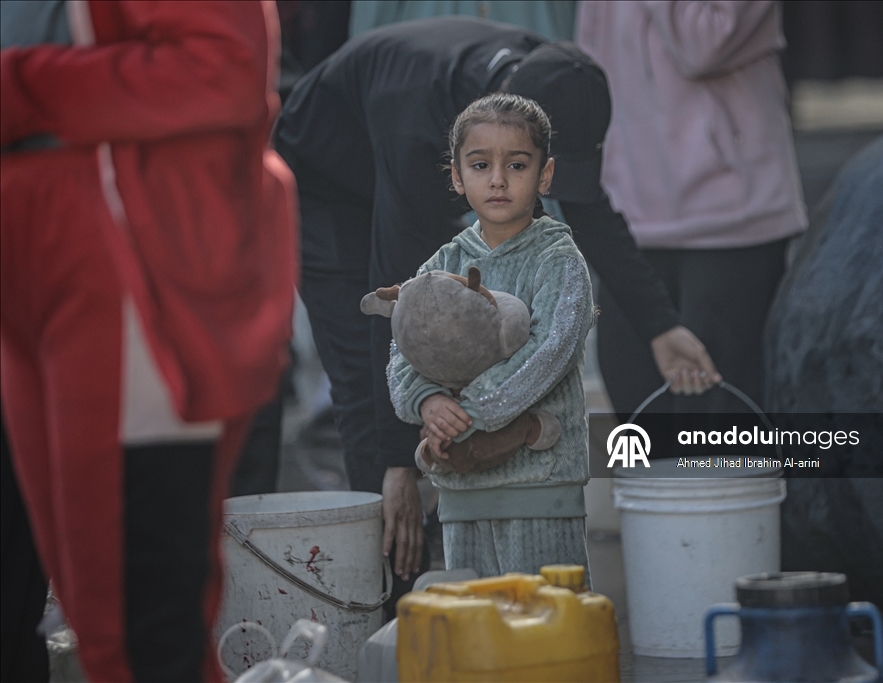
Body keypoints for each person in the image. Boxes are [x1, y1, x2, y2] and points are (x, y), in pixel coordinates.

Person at [274, 16, 719, 585]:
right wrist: (393, 462)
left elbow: (588, 210)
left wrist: (662, 326)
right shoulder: (418, 132)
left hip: (424, 151)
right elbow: (397, 298)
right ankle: (391, 577)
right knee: (371, 371)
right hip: (326, 181)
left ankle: (448, 528)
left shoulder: (556, 78)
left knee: (469, 332)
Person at [0, 2, 296, 680]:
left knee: (136, 630)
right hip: (33, 265)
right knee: (85, 607)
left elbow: (222, 69)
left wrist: (20, 84)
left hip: (125, 256)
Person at [390, 93, 593, 578]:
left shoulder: (558, 260)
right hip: (461, 487)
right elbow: (403, 349)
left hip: (541, 482)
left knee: (547, 622)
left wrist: (468, 414)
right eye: (481, 164)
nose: (498, 179)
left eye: (517, 165)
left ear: (544, 175)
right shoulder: (442, 265)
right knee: (478, 623)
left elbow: (549, 352)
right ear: (458, 176)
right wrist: (426, 404)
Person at [575, 0, 808, 415]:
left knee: (726, 421)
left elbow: (707, 44)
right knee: (638, 412)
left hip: (731, 217)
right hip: (627, 211)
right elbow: (591, 65)